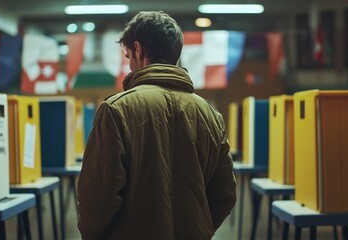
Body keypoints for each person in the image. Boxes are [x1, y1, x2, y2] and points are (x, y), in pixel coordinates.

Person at [77, 11, 237, 240]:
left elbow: (98, 198)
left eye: (128, 56)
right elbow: (225, 193)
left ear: (138, 50)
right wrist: (198, 228)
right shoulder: (210, 114)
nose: (129, 65)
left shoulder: (115, 110)